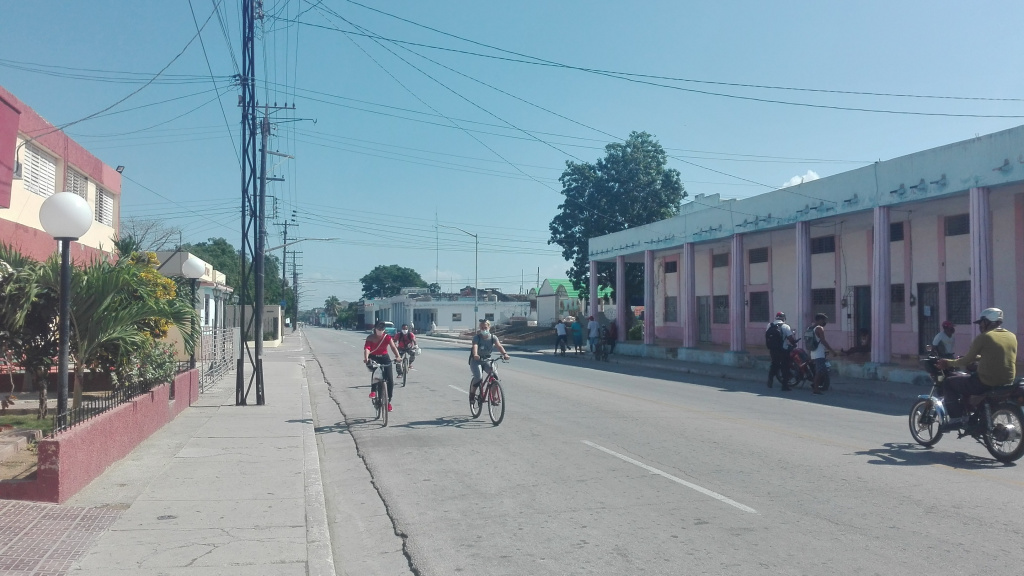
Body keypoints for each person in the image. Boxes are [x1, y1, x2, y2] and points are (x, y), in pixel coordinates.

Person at [937, 308, 1017, 430]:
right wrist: (979, 358)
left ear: (987, 321)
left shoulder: (984, 337)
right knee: (965, 379)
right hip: (1008, 380)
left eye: (981, 323)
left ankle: (956, 419)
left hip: (986, 382)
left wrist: (948, 363)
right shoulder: (1011, 336)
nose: (980, 326)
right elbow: (997, 355)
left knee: (949, 382)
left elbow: (966, 361)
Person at [363, 320, 402, 412]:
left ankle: (388, 402)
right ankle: (373, 390)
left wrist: (398, 356)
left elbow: (393, 347)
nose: (380, 330)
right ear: (375, 329)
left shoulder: (387, 337)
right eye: (379, 328)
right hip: (373, 358)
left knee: (390, 381)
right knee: (376, 372)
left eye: (382, 328)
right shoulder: (370, 338)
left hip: (385, 358)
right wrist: (366, 358)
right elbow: (367, 348)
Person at [470, 319, 510, 399]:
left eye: (485, 327)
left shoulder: (493, 337)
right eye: (482, 328)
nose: (484, 330)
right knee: (478, 377)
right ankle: (472, 394)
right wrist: (475, 354)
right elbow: (475, 346)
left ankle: (493, 397)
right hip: (476, 360)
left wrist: (505, 354)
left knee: (495, 377)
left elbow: (499, 346)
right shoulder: (477, 337)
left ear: (489, 327)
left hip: (487, 360)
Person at [808, 313, 838, 395]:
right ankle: (816, 389)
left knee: (822, 370)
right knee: (819, 371)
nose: (825, 322)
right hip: (819, 353)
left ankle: (817, 385)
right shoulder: (819, 328)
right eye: (823, 320)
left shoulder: (811, 328)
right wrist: (832, 351)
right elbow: (823, 341)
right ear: (819, 320)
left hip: (814, 352)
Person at [766, 312, 796, 391]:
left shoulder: (770, 325)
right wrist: (794, 343)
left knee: (774, 364)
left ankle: (770, 379)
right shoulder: (785, 326)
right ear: (783, 318)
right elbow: (790, 337)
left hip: (773, 349)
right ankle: (785, 385)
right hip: (783, 350)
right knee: (785, 367)